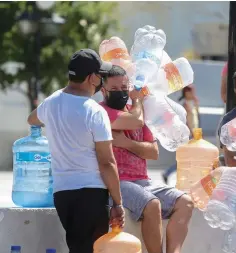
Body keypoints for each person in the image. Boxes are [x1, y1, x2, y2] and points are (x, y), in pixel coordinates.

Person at [27, 49, 124, 253]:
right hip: (91, 193)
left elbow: (32, 119)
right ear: (91, 78)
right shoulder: (94, 111)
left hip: (62, 194)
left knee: (78, 247)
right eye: (100, 76)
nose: (101, 81)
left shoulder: (51, 102)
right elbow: (107, 162)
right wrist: (118, 202)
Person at [99, 65, 194, 253]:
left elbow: (153, 152)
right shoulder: (100, 112)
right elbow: (136, 121)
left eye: (124, 88)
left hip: (143, 181)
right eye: (115, 90)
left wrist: (126, 143)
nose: (121, 93)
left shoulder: (138, 110)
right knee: (152, 204)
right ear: (103, 91)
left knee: (186, 202)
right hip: (117, 183)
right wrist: (137, 102)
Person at [162, 85, 200, 183]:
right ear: (186, 93)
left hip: (194, 134)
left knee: (190, 158)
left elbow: (197, 119)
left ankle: (169, 173)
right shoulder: (184, 105)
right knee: (187, 159)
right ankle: (169, 173)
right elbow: (185, 121)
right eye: (190, 92)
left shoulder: (193, 104)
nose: (192, 94)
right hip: (188, 135)